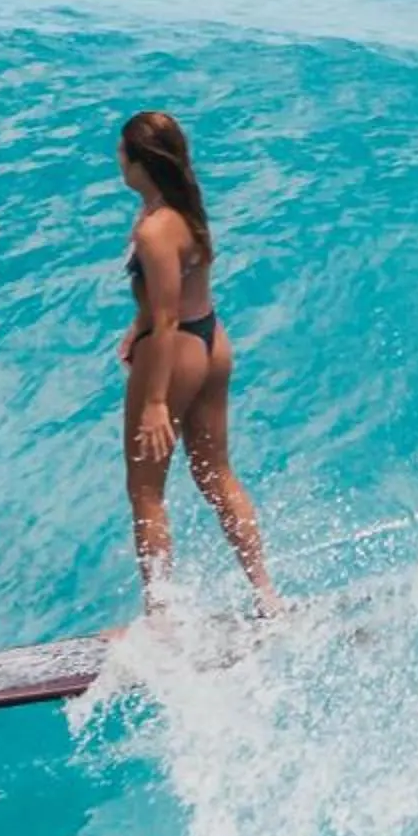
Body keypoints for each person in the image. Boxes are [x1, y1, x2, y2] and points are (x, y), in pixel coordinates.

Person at [115, 109, 277, 616]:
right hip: (211, 339)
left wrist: (157, 402)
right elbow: (171, 297)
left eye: (122, 155)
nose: (118, 163)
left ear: (140, 163)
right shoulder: (184, 209)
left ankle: (160, 617)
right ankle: (266, 595)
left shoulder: (155, 229)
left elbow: (166, 320)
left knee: (145, 490)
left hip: (177, 349)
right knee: (215, 474)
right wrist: (134, 327)